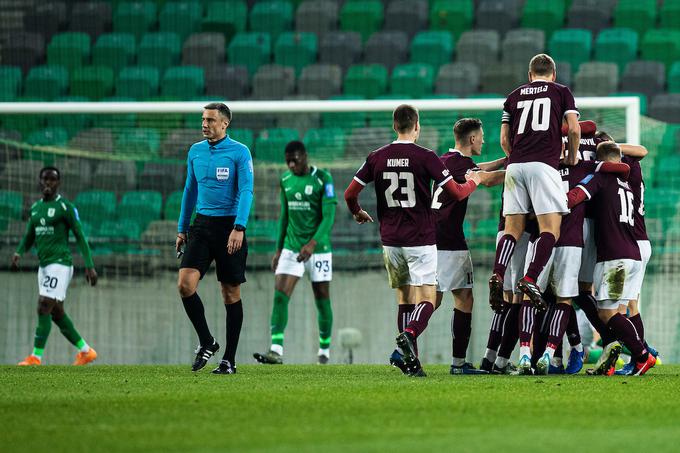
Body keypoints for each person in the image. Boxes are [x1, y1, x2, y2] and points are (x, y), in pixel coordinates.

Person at [344, 104, 481, 377]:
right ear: (417, 126)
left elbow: (350, 193)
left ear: (395, 126)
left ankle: (411, 361)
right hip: (420, 239)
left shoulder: (377, 157)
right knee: (428, 299)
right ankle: (408, 335)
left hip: (391, 241)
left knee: (405, 299)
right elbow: (455, 192)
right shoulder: (426, 156)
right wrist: (473, 182)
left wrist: (357, 212)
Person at [489, 53, 581, 314]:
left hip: (515, 166)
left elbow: (504, 139)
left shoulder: (513, 96)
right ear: (553, 74)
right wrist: (572, 156)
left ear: (530, 75)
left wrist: (514, 159)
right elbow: (574, 129)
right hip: (544, 166)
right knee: (550, 228)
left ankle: (497, 272)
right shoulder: (561, 92)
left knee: (512, 228)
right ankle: (530, 278)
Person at [176, 102, 254, 375]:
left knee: (230, 292)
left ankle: (229, 360)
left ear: (225, 123)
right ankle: (207, 341)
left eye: (210, 120)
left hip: (230, 226)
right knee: (185, 285)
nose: (204, 124)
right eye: (203, 119)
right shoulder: (195, 151)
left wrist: (239, 227)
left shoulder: (240, 152)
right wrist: (182, 228)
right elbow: (189, 190)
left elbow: (246, 191)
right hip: (202, 225)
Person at [566, 141, 655, 376]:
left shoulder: (601, 178)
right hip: (632, 254)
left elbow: (575, 197)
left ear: (599, 160)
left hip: (614, 258)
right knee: (622, 309)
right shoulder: (626, 183)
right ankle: (628, 358)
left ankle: (642, 355)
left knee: (607, 313)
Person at [253, 140, 337, 365]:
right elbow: (284, 217)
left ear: (305, 157)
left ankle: (324, 350)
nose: (291, 165)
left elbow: (329, 217)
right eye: (287, 161)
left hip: (319, 250)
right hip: (291, 248)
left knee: (321, 298)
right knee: (280, 295)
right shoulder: (285, 180)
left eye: (295, 160)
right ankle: (276, 349)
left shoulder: (323, 179)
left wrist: (312, 244)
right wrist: (279, 249)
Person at [431, 118, 504, 374]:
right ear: (472, 139)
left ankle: (409, 336)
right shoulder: (464, 166)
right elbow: (487, 179)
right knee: (463, 298)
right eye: (481, 136)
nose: (484, 140)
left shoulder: (444, 160)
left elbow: (478, 168)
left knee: (434, 298)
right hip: (451, 240)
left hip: (432, 236)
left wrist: (505, 161)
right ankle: (458, 364)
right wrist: (524, 170)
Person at [13, 166, 98, 366]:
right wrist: (19, 252)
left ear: (58, 183)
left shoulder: (65, 207)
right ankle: (86, 351)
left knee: (43, 305)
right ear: (40, 182)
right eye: (45, 179)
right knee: (55, 311)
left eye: (52, 180)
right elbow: (29, 236)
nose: (48, 183)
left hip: (60, 264)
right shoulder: (35, 209)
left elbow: (79, 236)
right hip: (43, 266)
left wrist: (89, 265)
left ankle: (35, 357)